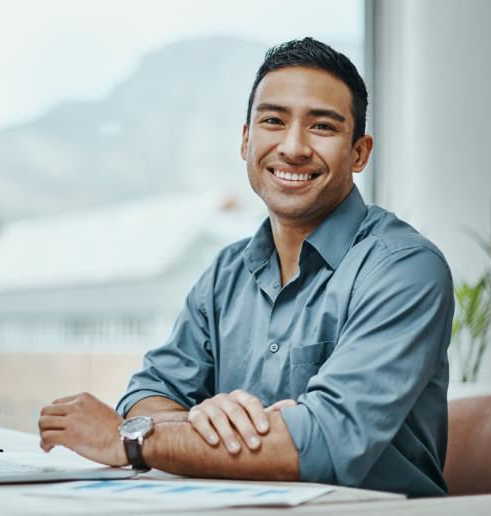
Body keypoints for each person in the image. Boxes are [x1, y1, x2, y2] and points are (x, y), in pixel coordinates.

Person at [38, 37, 453, 497]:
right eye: (273, 121)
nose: (293, 148)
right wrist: (198, 418)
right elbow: (148, 394)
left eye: (322, 127)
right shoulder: (225, 272)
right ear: (245, 140)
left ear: (359, 152)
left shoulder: (404, 269)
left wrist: (131, 440)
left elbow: (324, 444)